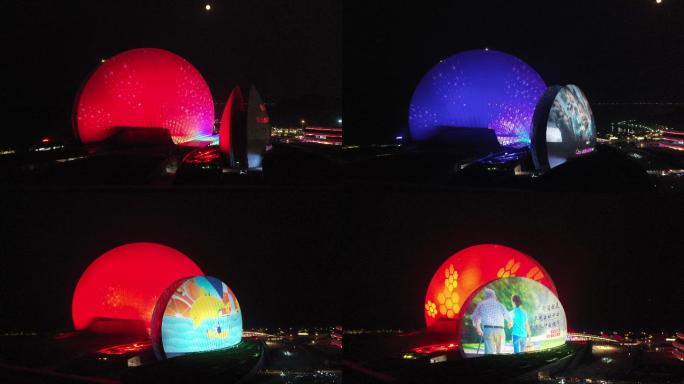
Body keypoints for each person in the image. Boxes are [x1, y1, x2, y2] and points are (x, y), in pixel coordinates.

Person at [472, 288, 512, 354]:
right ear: (494, 296)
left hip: (488, 330)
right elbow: (508, 317)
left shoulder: (482, 304)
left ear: (486, 296)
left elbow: (475, 318)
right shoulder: (500, 305)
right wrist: (510, 323)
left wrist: (478, 329)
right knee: (500, 354)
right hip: (500, 330)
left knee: (489, 354)